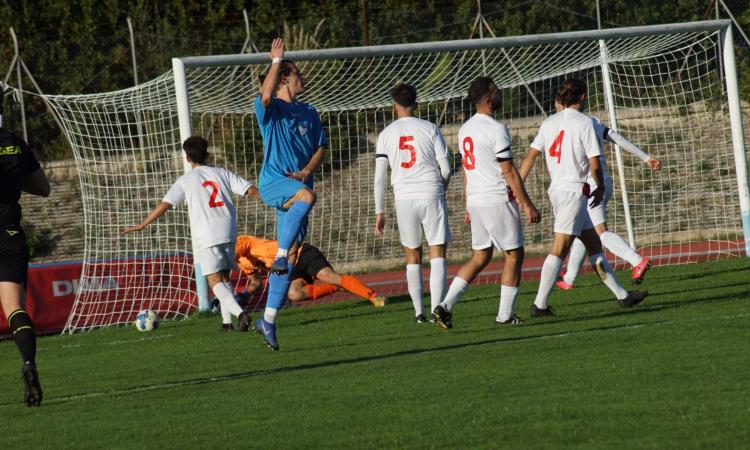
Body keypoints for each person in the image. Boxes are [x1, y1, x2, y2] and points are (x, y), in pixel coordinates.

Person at [518, 79, 647, 317]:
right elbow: (594, 163)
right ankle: (539, 305)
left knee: (594, 244)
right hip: (574, 191)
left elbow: (529, 158)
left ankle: (623, 296)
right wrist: (598, 186)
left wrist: (517, 186)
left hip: (559, 189)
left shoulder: (549, 122)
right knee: (559, 248)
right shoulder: (585, 122)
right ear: (583, 97)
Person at [432, 77, 540, 329]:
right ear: (489, 98)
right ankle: (504, 315)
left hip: (478, 200)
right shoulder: (495, 129)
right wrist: (527, 204)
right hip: (496, 199)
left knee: (481, 255)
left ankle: (444, 306)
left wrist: (469, 204)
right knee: (514, 254)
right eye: (497, 89)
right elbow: (510, 172)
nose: (500, 92)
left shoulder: (466, 129)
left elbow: (469, 171)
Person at [123, 136, 257, 333]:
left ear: (187, 158)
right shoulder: (222, 173)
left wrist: (143, 224)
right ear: (207, 154)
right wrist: (278, 199)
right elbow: (250, 190)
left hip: (208, 232)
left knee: (214, 280)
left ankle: (241, 314)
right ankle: (227, 323)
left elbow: (165, 204)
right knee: (225, 278)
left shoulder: (186, 180)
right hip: (229, 229)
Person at [253, 38, 327, 350]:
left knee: (294, 255)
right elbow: (267, 95)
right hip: (273, 182)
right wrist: (275, 60)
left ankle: (268, 320)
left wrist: (308, 170)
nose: (302, 77)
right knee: (306, 203)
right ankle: (280, 254)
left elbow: (321, 147)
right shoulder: (269, 108)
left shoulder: (309, 112)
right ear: (285, 77)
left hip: (298, 186)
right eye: (297, 73)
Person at [551, 96, 662, 289]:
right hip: (602, 182)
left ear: (563, 105)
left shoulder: (574, 126)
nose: (556, 111)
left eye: (556, 107)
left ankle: (636, 261)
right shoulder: (591, 121)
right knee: (583, 230)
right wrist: (645, 157)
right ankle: (568, 277)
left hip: (591, 185)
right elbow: (616, 137)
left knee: (600, 233)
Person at [374, 83, 452, 323]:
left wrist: (380, 211)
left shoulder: (386, 134)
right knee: (437, 252)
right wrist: (441, 189)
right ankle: (437, 309)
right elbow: (446, 168)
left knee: (412, 256)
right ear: (416, 104)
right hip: (431, 192)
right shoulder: (430, 128)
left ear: (393, 106)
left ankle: (418, 313)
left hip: (404, 198)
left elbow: (379, 178)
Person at [0, 95, 50, 406]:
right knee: (15, 308)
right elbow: (44, 188)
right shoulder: (14, 142)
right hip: (9, 233)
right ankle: (29, 365)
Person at [234, 234, 387, 307]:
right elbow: (256, 282)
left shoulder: (240, 241)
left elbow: (232, 254)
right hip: (291, 267)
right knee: (294, 294)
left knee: (328, 276)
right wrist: (242, 295)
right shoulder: (241, 262)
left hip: (300, 253)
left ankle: (374, 297)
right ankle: (335, 287)